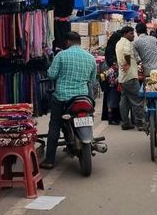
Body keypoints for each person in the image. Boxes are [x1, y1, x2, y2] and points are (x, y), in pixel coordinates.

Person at [41, 31, 97, 169]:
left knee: (54, 125)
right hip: (83, 98)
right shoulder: (90, 58)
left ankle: (49, 160)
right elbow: (92, 80)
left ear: (67, 42)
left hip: (62, 98)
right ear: (80, 42)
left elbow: (52, 75)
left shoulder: (61, 55)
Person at [134, 22, 157, 117]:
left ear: (137, 32)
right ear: (146, 30)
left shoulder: (135, 43)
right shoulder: (154, 39)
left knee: (150, 94)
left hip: (149, 72)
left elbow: (137, 59)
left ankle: (151, 115)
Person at [116, 26, 144, 130]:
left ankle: (125, 122)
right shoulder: (126, 43)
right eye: (131, 34)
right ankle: (140, 123)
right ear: (125, 34)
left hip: (123, 77)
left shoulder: (119, 43)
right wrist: (128, 63)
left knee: (124, 101)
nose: (133, 35)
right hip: (130, 76)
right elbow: (127, 53)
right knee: (137, 100)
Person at [103, 30, 123, 125]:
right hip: (113, 77)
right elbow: (113, 62)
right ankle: (112, 117)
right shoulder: (112, 48)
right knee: (113, 96)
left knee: (112, 97)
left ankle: (112, 116)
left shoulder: (109, 47)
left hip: (111, 76)